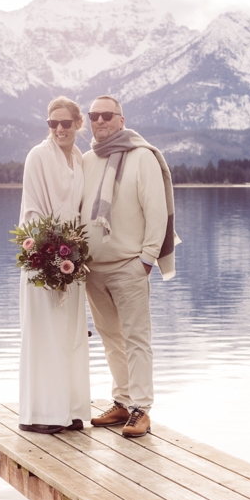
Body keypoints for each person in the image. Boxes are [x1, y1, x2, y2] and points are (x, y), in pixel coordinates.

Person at [80, 95, 178, 438]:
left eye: (107, 115)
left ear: (121, 120)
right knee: (110, 338)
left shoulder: (142, 157)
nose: (100, 120)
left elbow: (155, 210)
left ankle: (141, 409)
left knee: (136, 338)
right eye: (94, 115)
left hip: (129, 266)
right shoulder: (87, 159)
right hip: (93, 269)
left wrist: (147, 259)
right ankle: (121, 402)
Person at [17, 96, 92, 434]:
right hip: (44, 258)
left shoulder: (78, 157)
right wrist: (50, 253)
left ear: (78, 124)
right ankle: (42, 413)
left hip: (72, 259)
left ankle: (71, 409)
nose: (59, 129)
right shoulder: (38, 156)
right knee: (45, 333)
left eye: (65, 123)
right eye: (53, 123)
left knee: (70, 333)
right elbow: (32, 210)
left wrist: (73, 253)